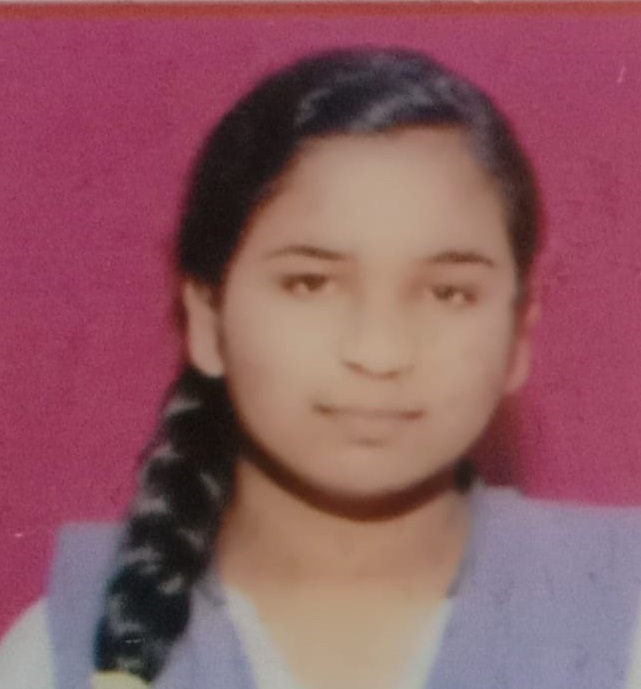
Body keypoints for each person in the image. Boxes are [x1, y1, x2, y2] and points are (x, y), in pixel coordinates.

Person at [3, 46, 641, 689]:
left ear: (519, 331)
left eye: (449, 293)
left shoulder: (621, 621)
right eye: (310, 283)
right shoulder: (64, 652)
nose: (379, 353)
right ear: (206, 318)